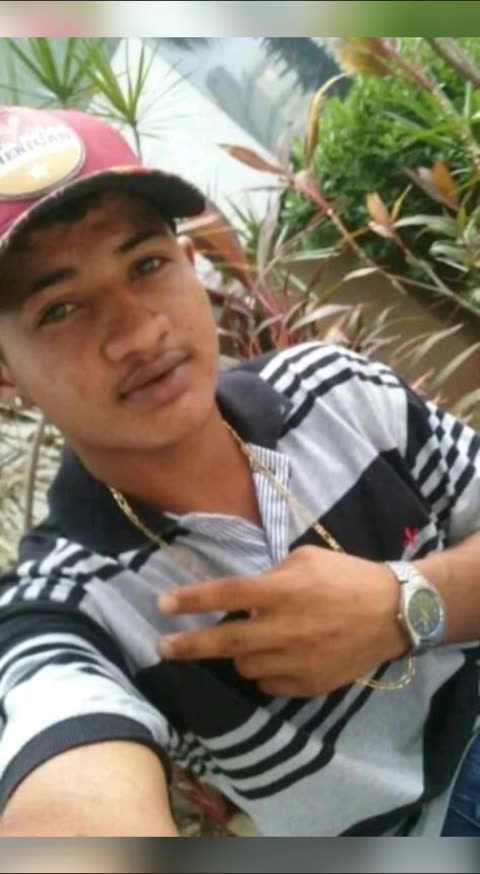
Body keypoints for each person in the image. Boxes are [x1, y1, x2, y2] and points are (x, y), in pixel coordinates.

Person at [0, 105, 478, 839]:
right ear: (7, 373)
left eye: (146, 265)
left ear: (190, 265)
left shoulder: (337, 392)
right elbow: (70, 784)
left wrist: (402, 603)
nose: (139, 333)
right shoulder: (71, 607)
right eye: (60, 308)